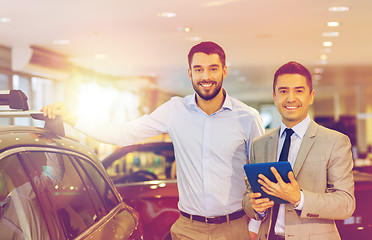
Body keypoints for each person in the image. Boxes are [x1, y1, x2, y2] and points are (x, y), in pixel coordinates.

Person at [42, 41, 265, 239]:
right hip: (188, 228)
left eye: (213, 69)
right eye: (199, 69)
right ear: (190, 73)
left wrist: (255, 225)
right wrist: (72, 118)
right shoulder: (175, 111)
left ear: (224, 70)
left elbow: (260, 177)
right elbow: (124, 133)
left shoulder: (247, 118)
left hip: (234, 228)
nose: (205, 77)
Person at [242, 61, 355, 240]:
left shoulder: (335, 142)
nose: (290, 98)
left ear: (311, 96)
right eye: (283, 91)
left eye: (299, 91)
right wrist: (256, 206)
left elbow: (346, 204)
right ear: (275, 97)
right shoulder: (260, 144)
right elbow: (249, 196)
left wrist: (299, 198)